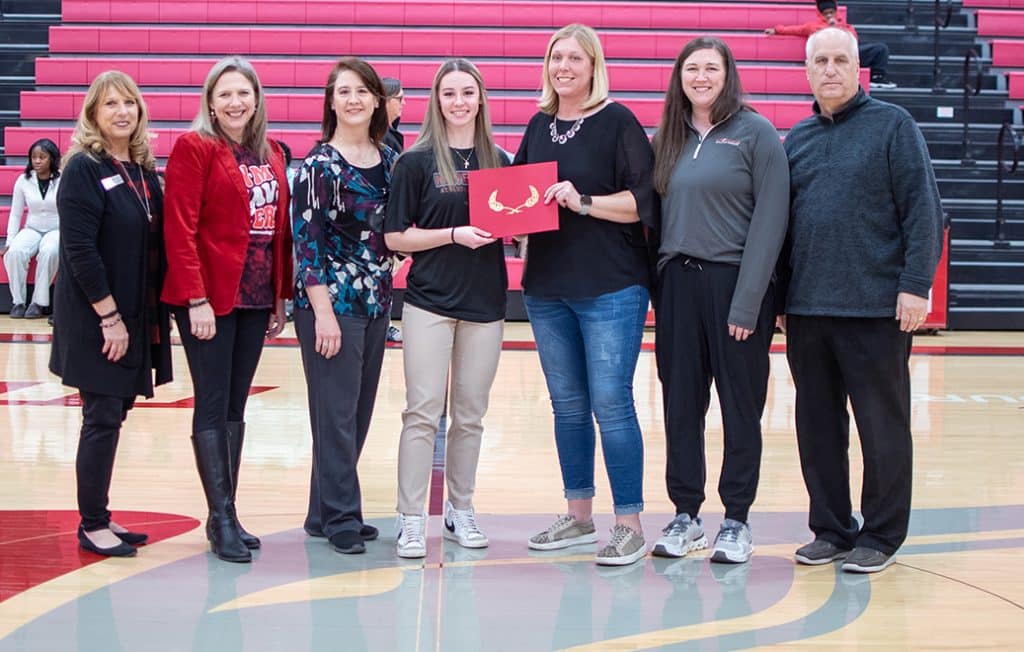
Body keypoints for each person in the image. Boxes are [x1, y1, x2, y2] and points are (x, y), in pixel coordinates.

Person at [780, 28, 943, 573]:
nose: (830, 69)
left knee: (882, 428)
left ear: (857, 69)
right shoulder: (797, 139)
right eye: (820, 61)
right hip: (808, 310)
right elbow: (783, 226)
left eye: (840, 60)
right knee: (817, 430)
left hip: (876, 309)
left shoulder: (894, 125)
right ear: (807, 71)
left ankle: (881, 535)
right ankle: (831, 529)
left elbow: (923, 210)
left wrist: (915, 285)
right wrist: (780, 298)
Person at [514, 24, 655, 567]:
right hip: (547, 287)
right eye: (556, 57)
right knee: (567, 406)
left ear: (594, 66)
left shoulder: (618, 121)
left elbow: (643, 202)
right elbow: (519, 198)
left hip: (611, 287)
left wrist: (585, 201)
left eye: (575, 58)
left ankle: (629, 525)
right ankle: (578, 516)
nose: (564, 67)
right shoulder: (539, 125)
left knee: (611, 404)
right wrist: (506, 222)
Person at [649, 37, 790, 565]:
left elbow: (772, 221)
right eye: (692, 68)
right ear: (679, 77)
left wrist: (749, 300)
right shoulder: (668, 137)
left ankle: (736, 519)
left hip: (736, 285)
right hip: (678, 287)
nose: (701, 77)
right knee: (681, 405)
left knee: (739, 407)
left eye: (712, 68)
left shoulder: (756, 133)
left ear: (728, 75)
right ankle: (686, 514)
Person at [163, 56, 292, 563]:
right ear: (211, 104)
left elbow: (278, 231)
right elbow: (180, 228)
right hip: (210, 298)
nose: (236, 102)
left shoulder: (272, 151)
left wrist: (279, 295)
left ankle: (228, 512)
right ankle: (219, 518)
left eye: (243, 93)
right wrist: (195, 298)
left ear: (256, 99)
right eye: (225, 95)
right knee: (213, 403)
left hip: (256, 296)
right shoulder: (194, 147)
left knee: (237, 406)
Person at [384, 58, 508, 559]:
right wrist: (453, 235)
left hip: (486, 304)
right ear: (436, 100)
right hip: (429, 303)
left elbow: (518, 227)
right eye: (449, 93)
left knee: (470, 416)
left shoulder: (501, 160)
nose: (459, 102)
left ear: (480, 99)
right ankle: (411, 518)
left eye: (467, 93)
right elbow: (396, 237)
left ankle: (461, 509)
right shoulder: (414, 162)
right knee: (422, 413)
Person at [49, 70, 172, 557]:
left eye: (129, 103)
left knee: (113, 414)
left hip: (135, 316)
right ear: (93, 115)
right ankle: (92, 524)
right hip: (97, 320)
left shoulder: (142, 171)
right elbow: (80, 251)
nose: (122, 112)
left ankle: (100, 513)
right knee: (100, 416)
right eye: (110, 104)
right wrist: (109, 317)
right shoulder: (83, 168)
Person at [293, 57, 398, 555]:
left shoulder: (391, 159)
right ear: (331, 102)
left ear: (377, 100)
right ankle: (341, 518)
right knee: (335, 416)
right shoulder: (317, 167)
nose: (353, 99)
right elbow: (307, 246)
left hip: (377, 303)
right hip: (332, 305)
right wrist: (324, 315)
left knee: (356, 414)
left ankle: (321, 512)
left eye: (362, 91)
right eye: (344, 91)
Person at [764, 0, 897, 89]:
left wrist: (837, 27)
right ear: (820, 14)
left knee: (880, 49)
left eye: (831, 12)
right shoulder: (813, 26)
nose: (829, 15)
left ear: (835, 12)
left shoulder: (845, 26)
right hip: (828, 58)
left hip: (846, 55)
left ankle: (877, 77)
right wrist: (776, 30)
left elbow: (853, 40)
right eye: (825, 13)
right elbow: (794, 30)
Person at [3, 138, 62, 319]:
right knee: (15, 252)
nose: (37, 161)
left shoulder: (63, 179)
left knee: (50, 251)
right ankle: (18, 302)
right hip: (32, 228)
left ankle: (38, 302)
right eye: (34, 157)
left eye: (42, 157)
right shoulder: (23, 180)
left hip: (56, 229)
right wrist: (10, 241)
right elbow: (15, 214)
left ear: (52, 159)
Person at [381, 76, 406, 344]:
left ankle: (384, 323)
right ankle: (383, 324)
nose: (403, 104)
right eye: (399, 99)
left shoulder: (392, 134)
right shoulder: (382, 137)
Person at [381, 77, 406, 154]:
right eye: (400, 99)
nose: (403, 103)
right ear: (385, 101)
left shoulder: (390, 132)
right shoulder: (380, 137)